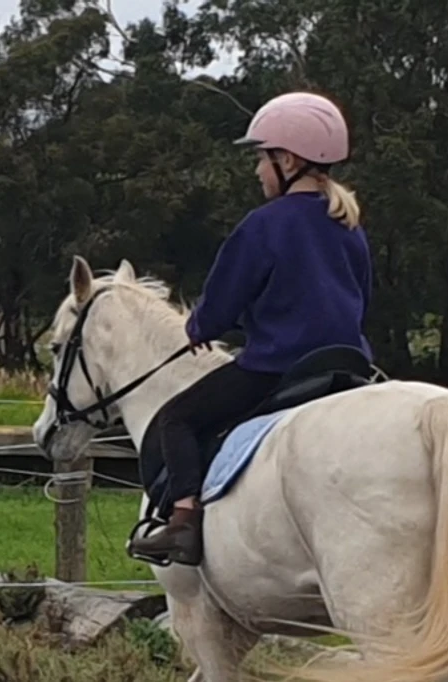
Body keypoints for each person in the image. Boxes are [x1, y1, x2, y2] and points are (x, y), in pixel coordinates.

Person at [127, 92, 374, 566]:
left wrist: (201, 326)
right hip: (348, 363)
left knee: (177, 419)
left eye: (261, 157)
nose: (257, 170)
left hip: (280, 367)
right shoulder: (350, 225)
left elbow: (220, 306)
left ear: (288, 160)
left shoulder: (264, 225)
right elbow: (360, 298)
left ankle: (181, 523)